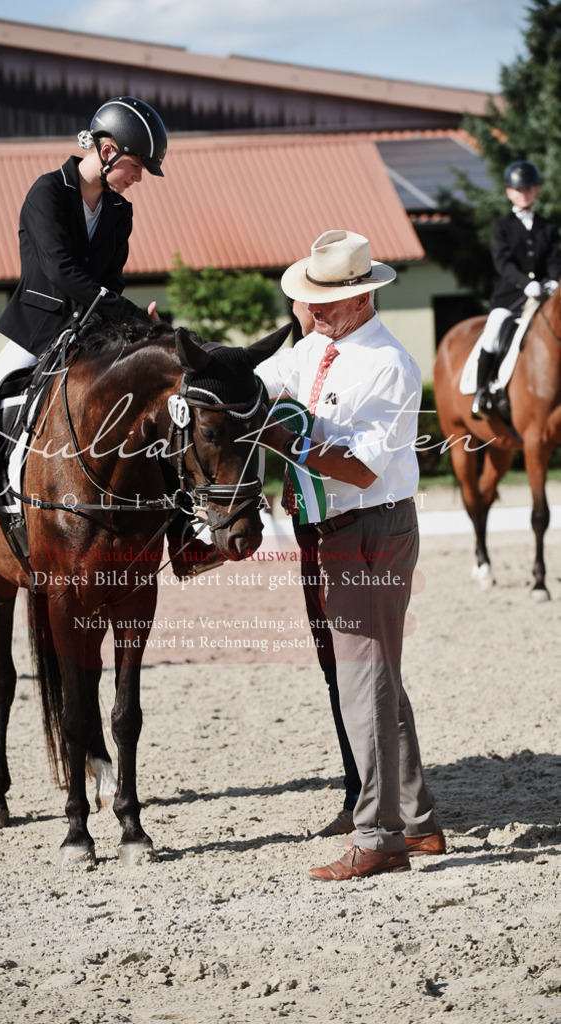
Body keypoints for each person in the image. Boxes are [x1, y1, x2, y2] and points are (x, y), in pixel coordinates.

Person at [0, 96, 215, 588]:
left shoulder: (119, 211)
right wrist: (126, 313)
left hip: (95, 334)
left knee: (153, 404)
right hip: (38, 329)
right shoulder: (47, 192)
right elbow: (63, 273)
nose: (138, 178)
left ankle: (181, 531)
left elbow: (111, 281)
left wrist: (141, 326)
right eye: (135, 166)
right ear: (107, 150)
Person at [257, 229, 443, 880]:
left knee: (362, 685)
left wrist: (284, 441)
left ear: (361, 299)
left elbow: (361, 470)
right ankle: (418, 823)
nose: (310, 311)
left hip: (371, 526)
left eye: (322, 301)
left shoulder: (388, 364)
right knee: (376, 678)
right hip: (339, 530)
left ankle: (379, 836)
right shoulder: (314, 349)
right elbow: (254, 383)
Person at [287, 300, 360, 838]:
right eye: (304, 294)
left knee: (365, 661)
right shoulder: (297, 357)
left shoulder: (371, 358)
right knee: (333, 657)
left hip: (355, 522)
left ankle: (374, 795)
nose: (310, 304)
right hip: (308, 524)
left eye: (322, 294)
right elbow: (237, 382)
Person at [472, 160, 560, 419]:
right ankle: (482, 393)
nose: (524, 194)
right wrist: (526, 283)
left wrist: (554, 279)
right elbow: (503, 263)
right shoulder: (502, 226)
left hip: (544, 295)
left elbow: (555, 259)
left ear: (537, 191)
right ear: (509, 191)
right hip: (511, 296)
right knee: (493, 330)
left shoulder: (549, 227)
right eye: (519, 189)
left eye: (529, 189)